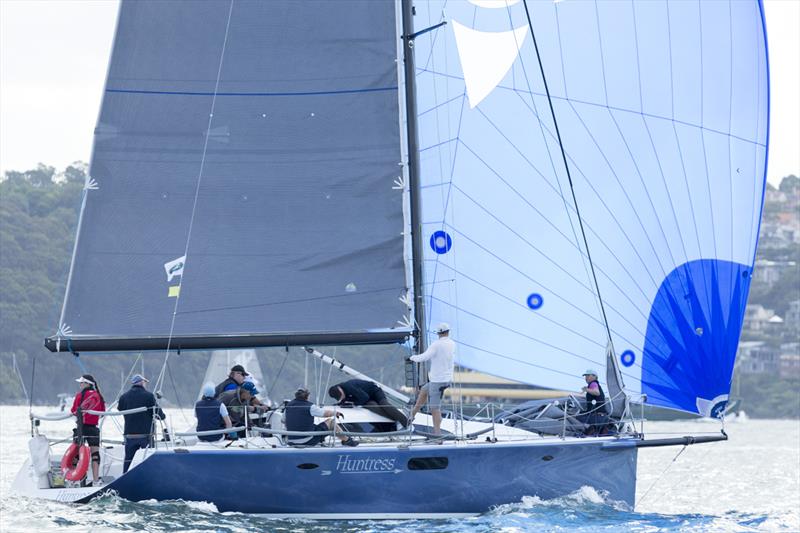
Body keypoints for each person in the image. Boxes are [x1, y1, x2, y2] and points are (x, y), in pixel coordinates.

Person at [409, 323, 456, 436]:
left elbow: (424, 357)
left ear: (438, 333)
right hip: (446, 379)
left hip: (437, 381)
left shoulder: (437, 344)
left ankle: (437, 435)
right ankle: (411, 416)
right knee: (424, 390)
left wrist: (412, 358)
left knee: (434, 408)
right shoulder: (452, 343)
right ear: (448, 332)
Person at [117, 374, 165, 473]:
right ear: (142, 382)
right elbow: (158, 414)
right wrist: (162, 416)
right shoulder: (149, 396)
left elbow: (120, 409)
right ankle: (149, 476)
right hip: (145, 435)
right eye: (144, 382)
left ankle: (125, 477)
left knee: (128, 460)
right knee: (148, 459)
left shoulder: (124, 397)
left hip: (129, 434)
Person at [285, 387, 357, 447]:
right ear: (307, 396)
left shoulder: (288, 406)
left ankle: (322, 440)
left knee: (315, 426)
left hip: (291, 441)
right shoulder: (310, 406)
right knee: (330, 422)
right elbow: (325, 413)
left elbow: (283, 420)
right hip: (308, 441)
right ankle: (347, 440)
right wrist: (335, 413)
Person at [70, 374, 106, 486]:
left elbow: (73, 410)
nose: (80, 384)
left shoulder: (79, 396)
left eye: (81, 382)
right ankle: (95, 480)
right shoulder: (98, 396)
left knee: (76, 454)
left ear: (86, 384)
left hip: (81, 428)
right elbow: (102, 412)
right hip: (93, 429)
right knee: (95, 454)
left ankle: (75, 480)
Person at [328, 379, 408, 428]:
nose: (342, 397)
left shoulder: (349, 386)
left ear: (340, 389)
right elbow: (344, 400)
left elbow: (364, 397)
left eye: (341, 395)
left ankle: (406, 422)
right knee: (374, 408)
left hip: (374, 391)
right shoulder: (340, 392)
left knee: (384, 404)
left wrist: (353, 403)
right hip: (366, 398)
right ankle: (395, 420)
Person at [578, 369, 608, 436]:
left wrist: (586, 389)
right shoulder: (594, 384)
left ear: (594, 376)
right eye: (585, 376)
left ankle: (589, 428)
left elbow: (597, 392)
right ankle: (602, 429)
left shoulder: (593, 383)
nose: (586, 378)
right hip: (602, 417)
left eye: (588, 375)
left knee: (576, 417)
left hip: (596, 417)